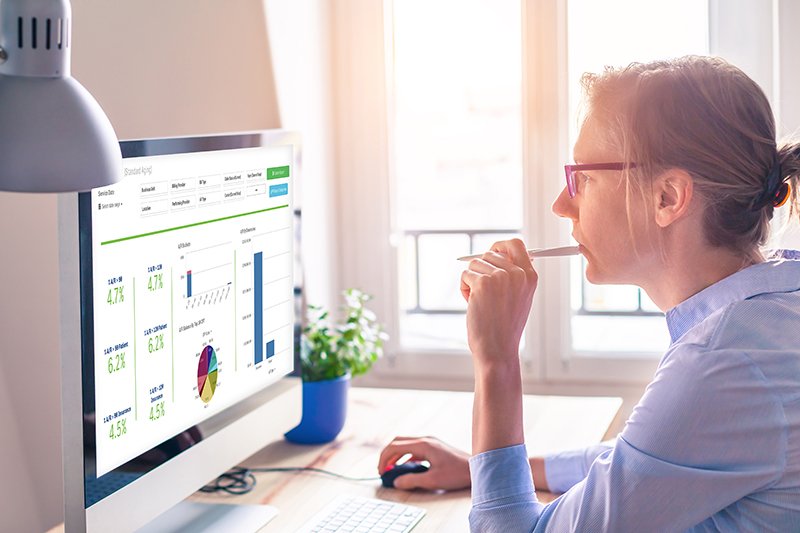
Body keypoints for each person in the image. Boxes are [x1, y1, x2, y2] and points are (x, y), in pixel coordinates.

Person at [377, 56, 800, 531]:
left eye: (584, 178)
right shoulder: (773, 313)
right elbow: (647, 460)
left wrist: (496, 360)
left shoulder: (722, 364)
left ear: (668, 197)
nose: (561, 204)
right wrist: (483, 469)